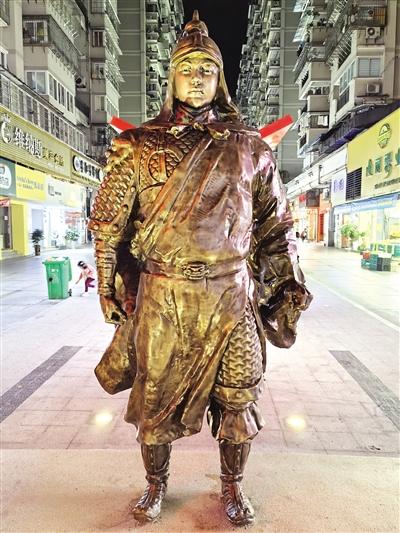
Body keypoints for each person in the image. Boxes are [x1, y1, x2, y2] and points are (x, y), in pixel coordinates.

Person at [88, 11, 312, 527]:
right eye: (186, 68)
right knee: (154, 403)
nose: (195, 78)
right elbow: (108, 223)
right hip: (164, 298)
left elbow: (276, 225)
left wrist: (287, 283)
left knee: (238, 399)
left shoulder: (250, 146)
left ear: (220, 78)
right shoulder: (136, 144)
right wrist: (106, 284)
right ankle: (155, 484)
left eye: (206, 70)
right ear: (171, 77)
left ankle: (232, 485)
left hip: (231, 298)